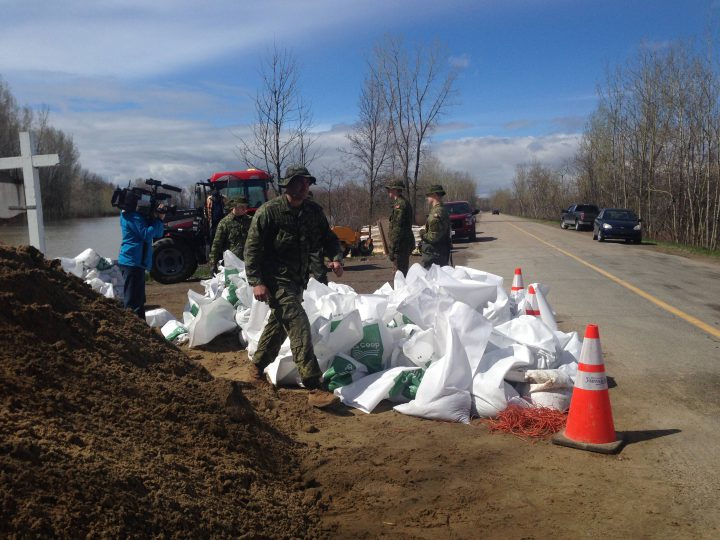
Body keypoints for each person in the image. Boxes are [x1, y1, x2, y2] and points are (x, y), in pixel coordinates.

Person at [244, 165, 344, 408]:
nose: (304, 186)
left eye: (307, 183)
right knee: (298, 321)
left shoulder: (312, 211)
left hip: (297, 280)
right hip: (275, 281)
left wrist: (336, 257)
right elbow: (252, 248)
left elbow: (328, 238)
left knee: (279, 326)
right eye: (299, 182)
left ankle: (256, 369)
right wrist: (256, 281)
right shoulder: (270, 212)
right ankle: (313, 385)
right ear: (287, 185)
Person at [118, 202, 167, 319]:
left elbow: (159, 233)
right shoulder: (132, 217)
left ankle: (140, 329)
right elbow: (147, 235)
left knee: (139, 300)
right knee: (132, 302)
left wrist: (158, 219)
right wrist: (158, 220)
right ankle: (130, 330)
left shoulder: (136, 216)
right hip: (131, 262)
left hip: (137, 263)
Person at [209, 196, 252, 271]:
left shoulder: (251, 221)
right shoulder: (225, 223)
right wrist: (213, 262)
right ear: (234, 207)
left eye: (246, 206)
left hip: (249, 262)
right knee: (232, 282)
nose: (245, 209)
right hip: (232, 263)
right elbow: (217, 244)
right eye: (242, 207)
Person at [385, 180, 415, 276]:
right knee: (400, 274)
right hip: (402, 244)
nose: (388, 191)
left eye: (389, 189)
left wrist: (392, 248)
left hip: (400, 245)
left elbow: (398, 228)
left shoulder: (400, 205)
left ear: (395, 190)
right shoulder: (401, 203)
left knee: (399, 275)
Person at [420, 184, 451, 268]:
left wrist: (422, 234)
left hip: (435, 254)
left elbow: (433, 237)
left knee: (433, 279)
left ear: (435, 195)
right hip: (439, 252)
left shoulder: (437, 212)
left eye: (428, 195)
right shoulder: (441, 209)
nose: (427, 198)